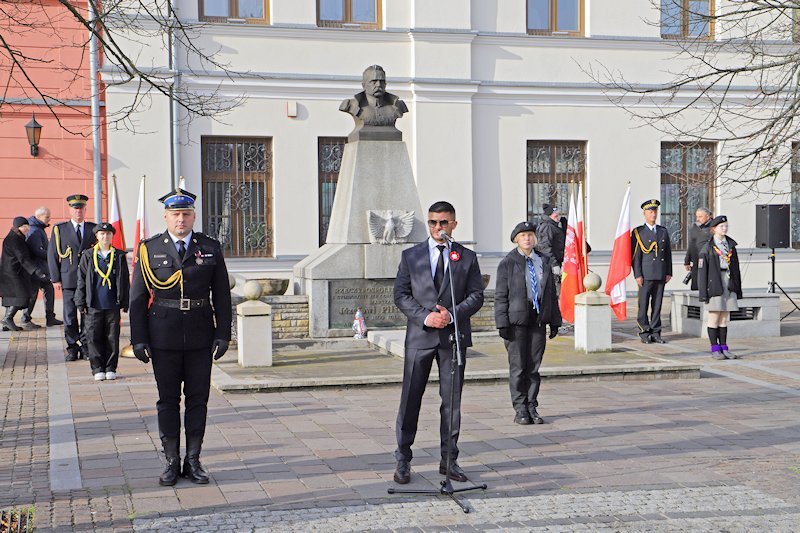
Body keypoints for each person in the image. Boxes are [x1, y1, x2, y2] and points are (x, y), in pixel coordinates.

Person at [129, 187, 232, 487]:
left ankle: (194, 460)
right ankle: (172, 461)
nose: (181, 219)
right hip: (164, 336)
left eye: (186, 214)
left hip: (201, 335)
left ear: (194, 216)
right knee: (168, 401)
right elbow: (138, 297)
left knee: (198, 400)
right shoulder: (150, 249)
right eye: (175, 214)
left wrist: (223, 333)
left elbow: (222, 294)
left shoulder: (210, 248)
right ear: (166, 217)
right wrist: (139, 338)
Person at [392, 201, 484, 486]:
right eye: (433, 222)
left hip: (453, 339)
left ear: (453, 224)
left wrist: (453, 314)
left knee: (452, 401)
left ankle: (449, 459)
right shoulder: (412, 256)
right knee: (411, 399)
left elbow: (476, 295)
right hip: (420, 337)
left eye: (443, 223)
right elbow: (401, 294)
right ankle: (403, 459)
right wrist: (425, 318)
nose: (438, 228)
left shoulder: (466, 256)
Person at [495, 221, 561, 425]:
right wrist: (502, 323)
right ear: (516, 239)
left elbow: (550, 293)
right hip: (516, 322)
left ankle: (532, 405)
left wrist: (555, 320)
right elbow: (500, 295)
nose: (527, 238)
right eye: (523, 235)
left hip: (537, 319)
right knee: (518, 367)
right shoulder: (508, 262)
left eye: (530, 234)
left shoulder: (543, 260)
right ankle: (520, 408)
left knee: (533, 367)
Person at [74, 222, 130, 381]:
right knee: (93, 336)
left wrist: (125, 301)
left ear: (113, 236)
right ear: (97, 236)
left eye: (108, 234)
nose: (105, 237)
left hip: (112, 303)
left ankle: (111, 367)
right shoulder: (88, 255)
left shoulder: (118, 255)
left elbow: (125, 280)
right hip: (93, 304)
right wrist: (80, 300)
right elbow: (81, 279)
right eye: (102, 234)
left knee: (112, 336)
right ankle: (97, 367)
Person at [48, 195, 97, 361]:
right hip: (68, 280)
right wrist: (55, 279)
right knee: (69, 316)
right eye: (75, 208)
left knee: (87, 316)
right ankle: (72, 347)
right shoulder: (60, 229)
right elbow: (52, 255)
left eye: (81, 208)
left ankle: (85, 347)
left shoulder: (93, 229)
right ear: (70, 210)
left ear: (85, 210)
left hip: (88, 281)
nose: (78, 212)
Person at [697, 216, 743, 360]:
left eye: (726, 226)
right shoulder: (707, 247)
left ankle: (724, 347)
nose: (725, 228)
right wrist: (703, 292)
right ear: (714, 229)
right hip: (714, 282)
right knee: (714, 317)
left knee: (724, 317)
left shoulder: (730, 245)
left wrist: (738, 288)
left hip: (728, 282)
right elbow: (702, 272)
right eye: (722, 226)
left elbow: (736, 269)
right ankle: (714, 348)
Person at [631, 199, 672, 344]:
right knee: (643, 305)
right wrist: (637, 274)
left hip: (660, 273)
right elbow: (636, 256)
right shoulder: (638, 232)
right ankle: (644, 331)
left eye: (655, 211)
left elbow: (667, 253)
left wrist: (669, 272)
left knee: (657, 304)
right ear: (644, 213)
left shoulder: (663, 231)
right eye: (650, 211)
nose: (653, 214)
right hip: (645, 274)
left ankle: (656, 332)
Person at [1, 217, 48, 331]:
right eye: (24, 226)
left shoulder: (18, 237)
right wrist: (36, 271)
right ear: (18, 227)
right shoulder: (14, 239)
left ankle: (7, 321)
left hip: (13, 272)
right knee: (21, 295)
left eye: (27, 226)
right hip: (11, 273)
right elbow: (22, 258)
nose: (27, 229)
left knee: (13, 297)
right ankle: (7, 318)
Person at [24, 207, 62, 328]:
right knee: (33, 294)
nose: (49, 219)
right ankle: (25, 318)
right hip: (36, 269)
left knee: (48, 290)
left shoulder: (38, 229)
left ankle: (50, 317)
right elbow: (37, 250)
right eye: (47, 217)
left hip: (42, 267)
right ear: (39, 217)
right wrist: (52, 256)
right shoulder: (35, 231)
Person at [536, 204, 565, 294]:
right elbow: (545, 247)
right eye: (556, 215)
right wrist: (554, 264)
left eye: (559, 215)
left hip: (556, 263)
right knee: (554, 292)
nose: (558, 217)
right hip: (550, 265)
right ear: (549, 215)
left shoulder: (553, 226)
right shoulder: (547, 226)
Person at [684, 207, 712, 290]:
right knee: (695, 286)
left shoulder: (713, 227)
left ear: (707, 217)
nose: (697, 219)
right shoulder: (695, 227)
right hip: (696, 261)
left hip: (708, 261)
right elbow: (691, 244)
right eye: (697, 216)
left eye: (700, 217)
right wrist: (687, 260)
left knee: (705, 285)